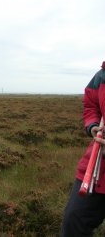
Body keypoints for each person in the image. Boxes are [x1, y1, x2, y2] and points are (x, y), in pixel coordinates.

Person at [61, 61, 105, 236]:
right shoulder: (101, 76)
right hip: (97, 166)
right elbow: (90, 105)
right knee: (74, 222)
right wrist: (93, 125)